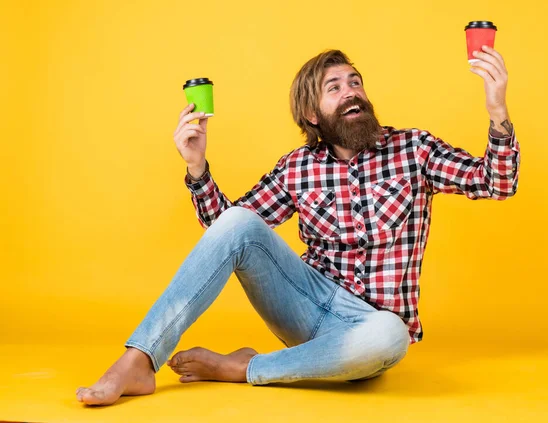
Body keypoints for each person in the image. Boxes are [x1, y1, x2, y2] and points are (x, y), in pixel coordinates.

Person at [76, 46, 520, 406]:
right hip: (304, 306)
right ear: (313, 115)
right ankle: (138, 360)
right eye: (334, 88)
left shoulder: (412, 149)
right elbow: (226, 233)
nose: (351, 93)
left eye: (355, 82)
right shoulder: (297, 167)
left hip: (371, 326)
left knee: (391, 334)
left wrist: (497, 110)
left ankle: (246, 368)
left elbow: (496, 183)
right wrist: (197, 169)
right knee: (239, 222)